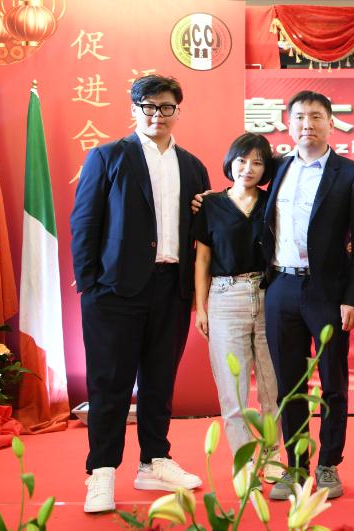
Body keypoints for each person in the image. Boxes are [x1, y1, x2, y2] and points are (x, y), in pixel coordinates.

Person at [70, 74, 209, 513]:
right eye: (148, 106)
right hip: (115, 291)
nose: (157, 115)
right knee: (109, 384)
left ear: (177, 112)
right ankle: (101, 472)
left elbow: (201, 230)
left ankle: (154, 461)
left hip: (172, 288)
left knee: (159, 381)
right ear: (134, 110)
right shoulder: (108, 156)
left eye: (166, 107)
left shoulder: (192, 166)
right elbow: (84, 222)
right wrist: (90, 285)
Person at [264, 90, 354, 501]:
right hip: (281, 287)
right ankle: (294, 467)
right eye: (299, 117)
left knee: (333, 383)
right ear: (288, 123)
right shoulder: (277, 167)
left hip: (328, 292)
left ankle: (328, 464)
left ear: (330, 122)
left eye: (315, 116)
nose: (307, 124)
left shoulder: (352, 174)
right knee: (288, 385)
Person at [192, 133, 283, 482]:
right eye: (242, 160)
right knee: (233, 392)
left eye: (258, 162)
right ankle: (244, 466)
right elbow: (202, 259)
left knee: (273, 387)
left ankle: (272, 457)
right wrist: (202, 308)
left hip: (268, 294)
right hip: (225, 297)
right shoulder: (211, 204)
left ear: (266, 169)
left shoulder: (273, 202)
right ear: (231, 162)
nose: (248, 168)